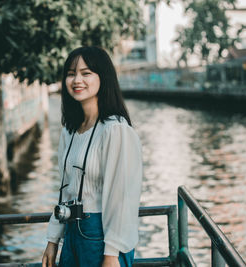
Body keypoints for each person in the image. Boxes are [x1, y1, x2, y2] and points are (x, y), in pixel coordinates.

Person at [42, 46, 143, 267]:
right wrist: (53, 239)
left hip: (102, 237)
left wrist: (111, 253)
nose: (77, 79)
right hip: (71, 234)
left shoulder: (115, 130)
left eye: (86, 73)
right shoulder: (70, 130)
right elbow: (65, 189)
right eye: (71, 73)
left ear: (103, 78)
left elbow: (123, 196)